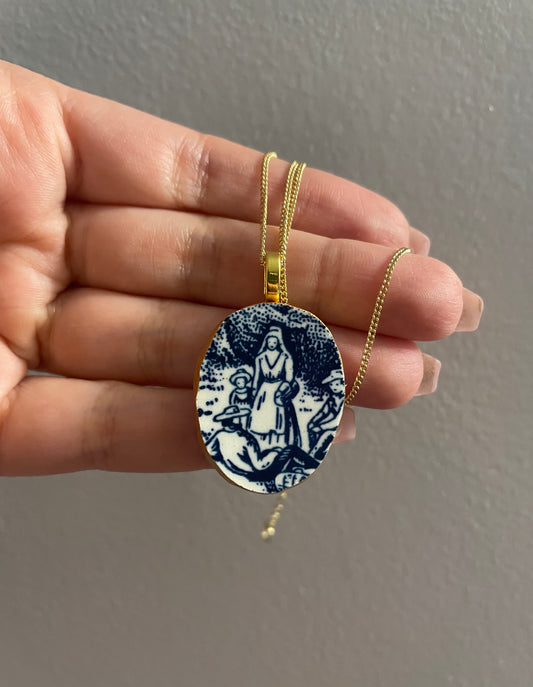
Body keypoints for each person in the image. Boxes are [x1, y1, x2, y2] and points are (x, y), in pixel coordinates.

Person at [0, 60, 483, 476]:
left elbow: (289, 382)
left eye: (275, 345)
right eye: (269, 344)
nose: (272, 346)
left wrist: (282, 386)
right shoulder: (260, 350)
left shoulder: (284, 356)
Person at [249, 327, 299, 448]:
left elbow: (289, 376)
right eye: (270, 341)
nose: (272, 344)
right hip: (264, 389)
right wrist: (254, 390)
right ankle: (262, 444)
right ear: (266, 341)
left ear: (278, 343)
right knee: (262, 415)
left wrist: (283, 389)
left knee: (277, 416)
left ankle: (277, 443)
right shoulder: (260, 357)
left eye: (274, 342)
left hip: (278, 388)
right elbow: (256, 376)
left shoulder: (285, 357)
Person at [307, 369, 346, 458]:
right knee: (311, 427)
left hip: (332, 427)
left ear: (342, 384)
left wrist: (321, 427)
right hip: (327, 424)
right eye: (331, 384)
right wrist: (313, 422)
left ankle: (314, 453)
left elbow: (335, 420)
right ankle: (312, 449)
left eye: (337, 384)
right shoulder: (332, 399)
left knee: (325, 434)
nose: (334, 387)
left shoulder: (341, 400)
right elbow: (322, 412)